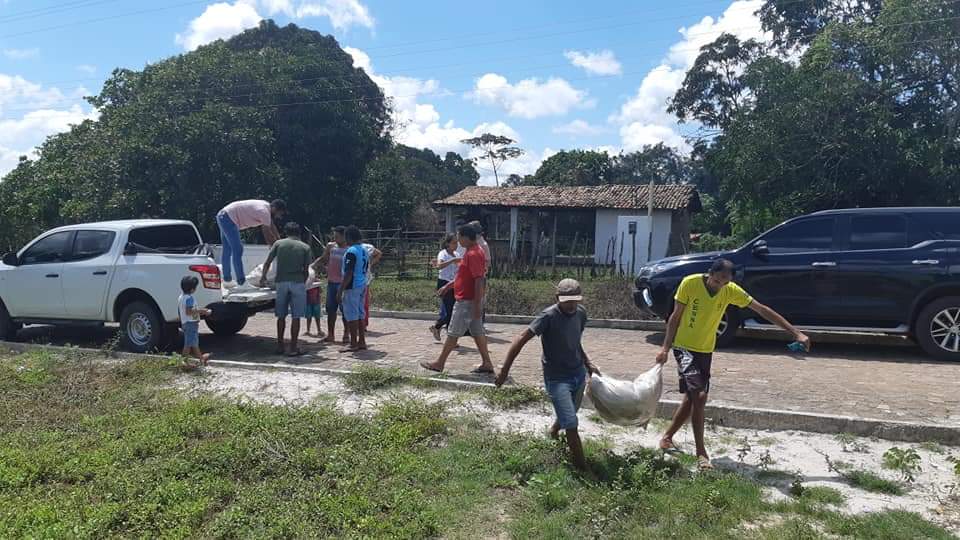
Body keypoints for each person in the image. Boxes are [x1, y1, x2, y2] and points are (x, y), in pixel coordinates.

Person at [655, 259, 811, 470]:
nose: (719, 285)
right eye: (717, 280)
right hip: (683, 347)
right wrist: (665, 348)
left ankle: (667, 437)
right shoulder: (690, 283)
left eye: (724, 282)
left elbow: (762, 310)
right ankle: (702, 453)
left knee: (692, 399)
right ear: (710, 273)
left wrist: (796, 332)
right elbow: (675, 317)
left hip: (705, 350)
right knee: (699, 396)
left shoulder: (730, 290)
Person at [496, 278, 601, 471]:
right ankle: (582, 469)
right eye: (566, 300)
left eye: (575, 300)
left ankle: (553, 431)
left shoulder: (581, 314)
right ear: (557, 298)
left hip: (577, 373)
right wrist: (504, 371)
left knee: (570, 413)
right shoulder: (548, 317)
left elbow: (575, 341)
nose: (571, 305)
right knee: (571, 424)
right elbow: (520, 339)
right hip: (557, 377)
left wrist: (587, 363)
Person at [419, 224, 495, 374]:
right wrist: (449, 286)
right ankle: (487, 363)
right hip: (469, 299)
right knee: (478, 333)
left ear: (466, 237)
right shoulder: (471, 252)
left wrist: (477, 304)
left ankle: (439, 363)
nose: (458, 240)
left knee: (453, 332)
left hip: (467, 301)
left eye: (459, 237)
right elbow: (464, 275)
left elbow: (479, 280)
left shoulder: (473, 254)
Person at [261, 222, 312, 356]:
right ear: (299, 233)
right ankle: (293, 348)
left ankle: (280, 346)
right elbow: (306, 270)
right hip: (298, 282)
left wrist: (263, 278)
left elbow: (267, 262)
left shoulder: (279, 244)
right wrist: (304, 282)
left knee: (281, 316)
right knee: (296, 317)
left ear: (285, 232)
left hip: (281, 282)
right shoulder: (305, 247)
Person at [217, 199, 286, 286]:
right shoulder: (264, 212)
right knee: (238, 249)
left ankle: (227, 280)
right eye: (279, 214)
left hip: (223, 215)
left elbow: (272, 227)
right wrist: (274, 247)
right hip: (229, 218)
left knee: (227, 249)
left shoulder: (265, 207)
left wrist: (280, 242)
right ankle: (241, 282)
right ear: (275, 208)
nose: (278, 217)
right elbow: (267, 233)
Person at [337, 225, 370, 352]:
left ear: (349, 237)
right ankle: (361, 341)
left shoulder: (351, 251)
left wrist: (340, 290)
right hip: (362, 284)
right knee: (361, 314)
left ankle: (353, 343)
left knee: (351, 315)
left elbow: (348, 273)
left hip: (352, 286)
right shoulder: (364, 250)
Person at [313, 227, 347, 344]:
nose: (335, 239)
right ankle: (331, 334)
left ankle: (346, 334)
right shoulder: (331, 246)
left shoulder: (349, 249)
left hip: (343, 283)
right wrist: (313, 266)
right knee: (330, 310)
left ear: (344, 236)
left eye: (337, 236)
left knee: (345, 310)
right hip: (332, 282)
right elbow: (324, 258)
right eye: (334, 236)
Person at [429, 233, 463, 342]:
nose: (456, 244)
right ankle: (450, 339)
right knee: (450, 311)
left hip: (455, 283)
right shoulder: (443, 254)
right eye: (453, 243)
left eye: (457, 242)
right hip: (444, 283)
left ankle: (437, 327)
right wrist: (452, 261)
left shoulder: (457, 254)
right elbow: (439, 266)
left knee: (454, 311)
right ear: (448, 244)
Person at [179, 275, 212, 366]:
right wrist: (203, 311)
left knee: (192, 342)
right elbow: (189, 311)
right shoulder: (189, 298)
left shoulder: (181, 297)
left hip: (186, 323)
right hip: (191, 324)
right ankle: (187, 360)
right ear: (192, 289)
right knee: (190, 343)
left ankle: (200, 358)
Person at [360, 241, 383, 330]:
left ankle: (363, 324)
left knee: (364, 302)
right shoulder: (346, 246)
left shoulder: (366, 247)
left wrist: (370, 264)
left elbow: (378, 253)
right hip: (354, 279)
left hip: (364, 278)